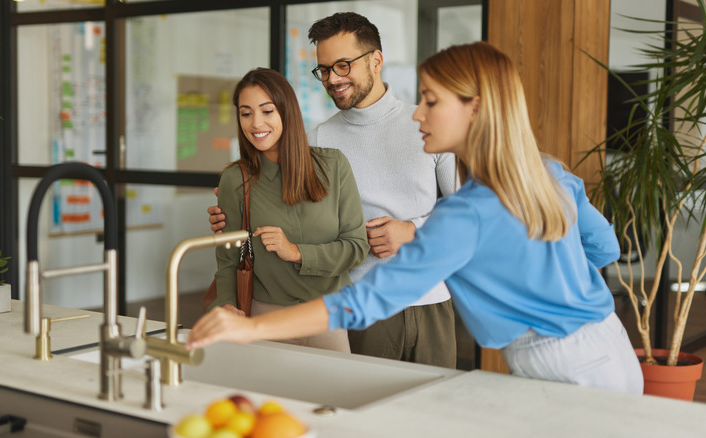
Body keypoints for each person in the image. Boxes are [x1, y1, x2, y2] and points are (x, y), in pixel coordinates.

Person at [188, 42, 644, 394]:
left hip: (561, 369)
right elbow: (604, 247)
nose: (418, 113)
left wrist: (252, 328)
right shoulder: (547, 171)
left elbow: (366, 300)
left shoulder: (464, 214)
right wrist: (558, 289)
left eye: (431, 101)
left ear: (476, 108)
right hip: (611, 345)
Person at [208, 12, 459, 368]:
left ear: (377, 60)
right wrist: (231, 213)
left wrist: (413, 231)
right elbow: (277, 214)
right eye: (324, 69)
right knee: (360, 413)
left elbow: (469, 210)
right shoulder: (318, 141)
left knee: (436, 413)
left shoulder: (427, 124)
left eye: (343, 65)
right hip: (361, 305)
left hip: (431, 298)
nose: (333, 79)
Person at [208, 67, 369, 353]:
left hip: (327, 317)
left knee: (333, 397)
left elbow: (356, 248)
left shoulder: (333, 167)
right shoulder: (236, 178)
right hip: (265, 320)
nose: (256, 123)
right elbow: (228, 261)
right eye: (246, 113)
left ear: (287, 111)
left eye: (267, 111)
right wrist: (227, 306)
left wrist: (296, 251)